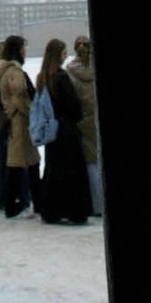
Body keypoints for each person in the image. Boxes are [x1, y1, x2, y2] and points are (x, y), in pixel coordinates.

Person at [36, 38, 92, 225]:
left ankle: (52, 210)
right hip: (66, 128)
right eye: (63, 52)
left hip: (51, 129)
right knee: (72, 171)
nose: (66, 55)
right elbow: (73, 105)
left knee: (53, 169)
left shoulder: (43, 76)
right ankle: (75, 211)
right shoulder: (61, 77)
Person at [0, 35, 37, 218]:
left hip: (14, 120)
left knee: (19, 162)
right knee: (19, 163)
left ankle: (17, 202)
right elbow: (19, 94)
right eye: (23, 47)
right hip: (19, 121)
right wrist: (30, 111)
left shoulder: (3, 69)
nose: (25, 50)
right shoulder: (14, 71)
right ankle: (16, 204)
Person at [65, 35, 100, 216]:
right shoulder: (98, 68)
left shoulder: (69, 71)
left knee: (90, 162)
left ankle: (94, 202)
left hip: (81, 120)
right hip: (98, 118)